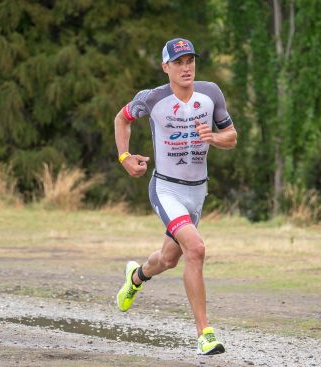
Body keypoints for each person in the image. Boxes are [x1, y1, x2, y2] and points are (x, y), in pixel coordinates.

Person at [113, 38, 237, 355]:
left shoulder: (211, 93)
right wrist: (124, 157)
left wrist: (214, 137)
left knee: (169, 259)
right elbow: (122, 118)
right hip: (166, 188)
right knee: (195, 249)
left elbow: (232, 136)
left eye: (190, 61)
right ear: (165, 66)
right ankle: (205, 334)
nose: (186, 67)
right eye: (179, 62)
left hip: (198, 191)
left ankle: (136, 277)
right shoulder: (153, 98)